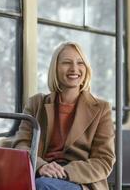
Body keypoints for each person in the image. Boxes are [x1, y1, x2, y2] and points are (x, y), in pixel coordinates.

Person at [12, 41, 115, 190]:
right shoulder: (36, 104)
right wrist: (41, 166)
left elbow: (103, 161)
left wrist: (65, 172)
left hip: (80, 180)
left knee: (42, 186)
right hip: (41, 172)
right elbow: (21, 145)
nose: (74, 69)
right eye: (66, 63)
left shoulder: (101, 109)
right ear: (55, 68)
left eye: (80, 63)